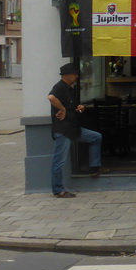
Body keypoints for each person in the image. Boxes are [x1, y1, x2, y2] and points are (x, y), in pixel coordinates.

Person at [48, 63, 107, 198]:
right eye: (75, 74)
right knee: (59, 160)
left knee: (96, 137)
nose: (77, 76)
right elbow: (51, 98)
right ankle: (58, 190)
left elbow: (72, 108)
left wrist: (79, 107)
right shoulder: (59, 87)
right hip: (63, 130)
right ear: (67, 76)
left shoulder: (70, 89)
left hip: (74, 129)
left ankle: (94, 167)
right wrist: (62, 109)